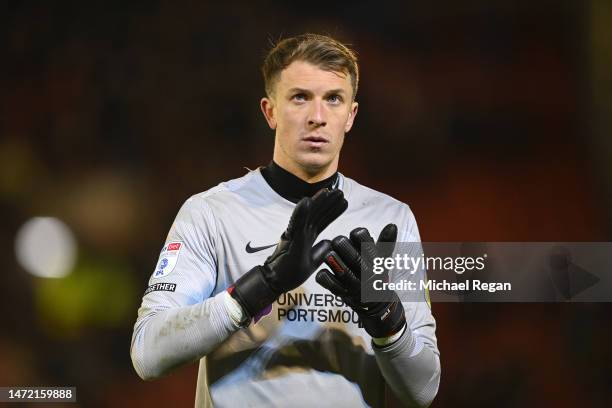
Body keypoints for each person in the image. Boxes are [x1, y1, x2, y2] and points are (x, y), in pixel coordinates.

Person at [130, 33, 440, 407]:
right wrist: (261, 287)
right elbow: (148, 354)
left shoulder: (390, 219)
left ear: (350, 116)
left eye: (333, 99)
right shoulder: (210, 213)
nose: (317, 117)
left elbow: (422, 392)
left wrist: (386, 321)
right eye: (299, 97)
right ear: (270, 111)